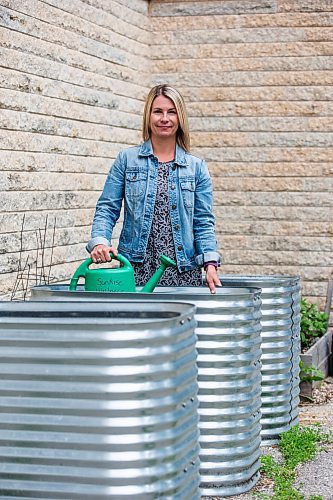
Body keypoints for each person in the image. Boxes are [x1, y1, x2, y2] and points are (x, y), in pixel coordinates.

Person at [86, 84, 221, 293]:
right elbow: (107, 208)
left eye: (172, 112)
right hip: (136, 270)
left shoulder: (196, 168)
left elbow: (203, 222)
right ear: (148, 116)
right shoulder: (126, 160)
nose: (164, 118)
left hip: (183, 272)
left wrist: (210, 263)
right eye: (158, 111)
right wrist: (99, 242)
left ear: (180, 118)